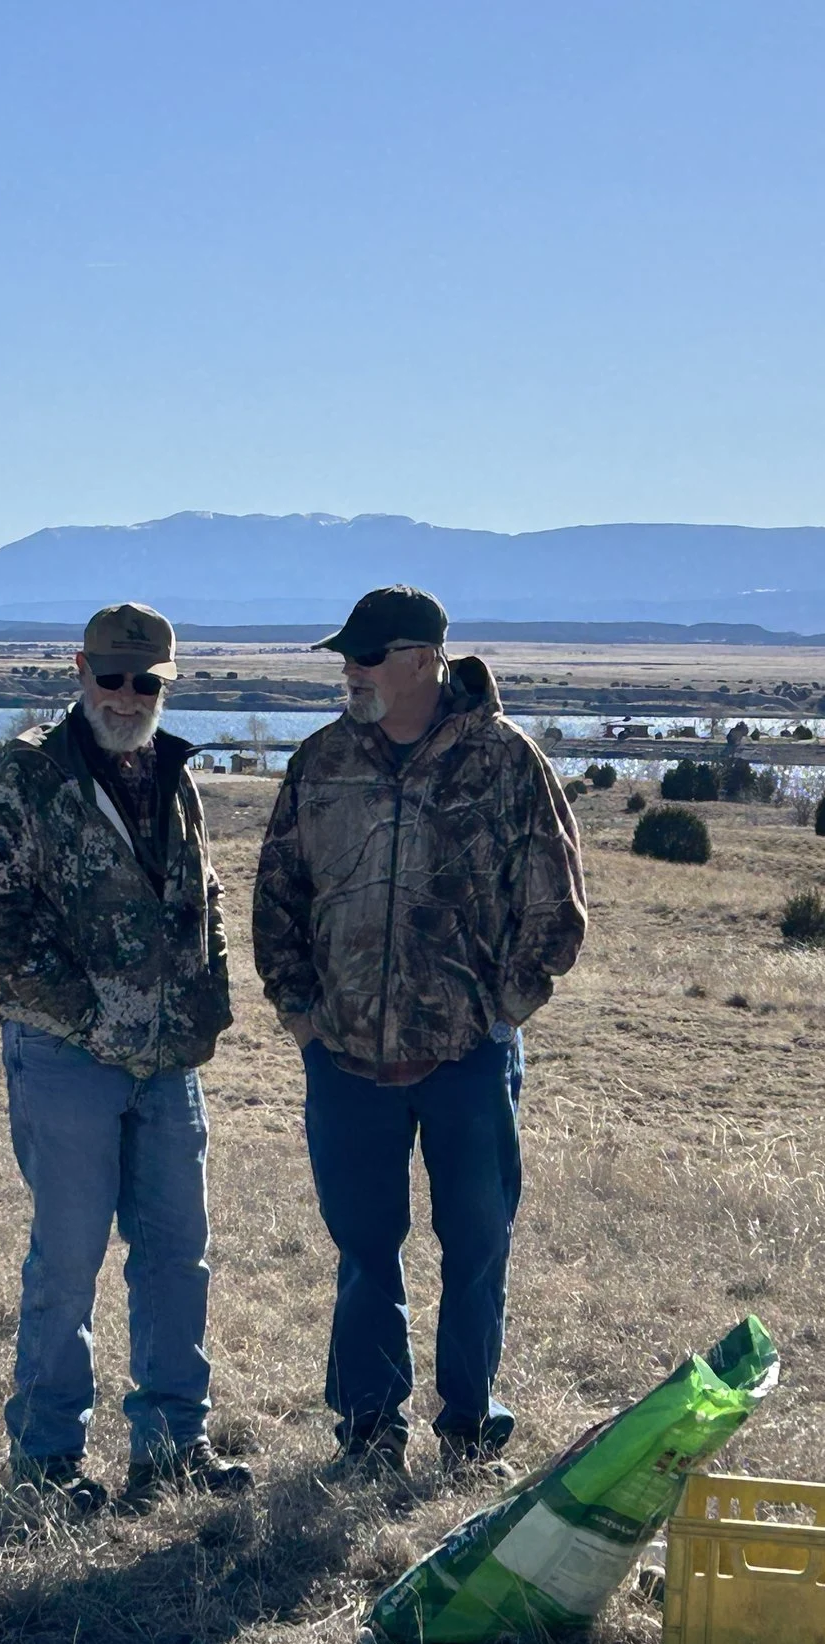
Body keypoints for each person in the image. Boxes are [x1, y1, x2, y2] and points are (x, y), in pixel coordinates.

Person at [254, 585, 587, 1479]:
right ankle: (368, 1432)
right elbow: (277, 897)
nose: (350, 671)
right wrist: (301, 1015)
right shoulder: (320, 763)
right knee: (366, 1251)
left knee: (477, 1247)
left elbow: (557, 908)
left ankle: (472, 1432)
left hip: (468, 1063)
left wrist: (497, 1014)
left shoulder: (505, 762)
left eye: (366, 656)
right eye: (346, 656)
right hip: (346, 1060)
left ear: (421, 660)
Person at [0, 602, 250, 1512]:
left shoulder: (175, 773)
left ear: (169, 683)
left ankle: (172, 1447)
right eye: (115, 677)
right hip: (65, 1056)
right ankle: (47, 1460)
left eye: (149, 682)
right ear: (80, 669)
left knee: (177, 1257)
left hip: (169, 1062)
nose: (129, 697)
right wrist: (89, 1013)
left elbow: (200, 896)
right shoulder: (31, 775)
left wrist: (207, 1002)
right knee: (69, 1260)